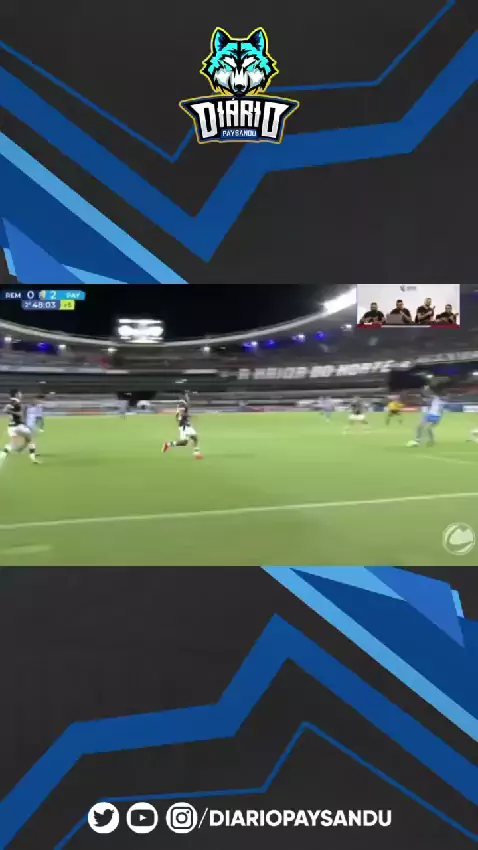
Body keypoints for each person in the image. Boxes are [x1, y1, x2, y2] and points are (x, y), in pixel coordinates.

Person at [0, 390, 39, 467]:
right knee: (31, 440)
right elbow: (20, 414)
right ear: (16, 394)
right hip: (19, 426)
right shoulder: (17, 403)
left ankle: (2, 456)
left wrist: (9, 411)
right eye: (20, 393)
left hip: (11, 427)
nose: (21, 394)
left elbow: (4, 410)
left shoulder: (9, 403)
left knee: (12, 444)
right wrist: (13, 412)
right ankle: (33, 458)